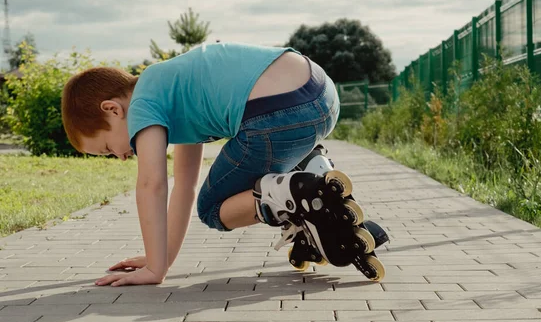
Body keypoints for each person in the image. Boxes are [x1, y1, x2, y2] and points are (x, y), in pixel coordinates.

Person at [62, 42, 383, 287]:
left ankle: (294, 197)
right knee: (208, 193)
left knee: (213, 209)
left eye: (106, 148)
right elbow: (183, 186)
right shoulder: (171, 87)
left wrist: (154, 271)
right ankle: (313, 174)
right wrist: (161, 258)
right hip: (321, 94)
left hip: (279, 113)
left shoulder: (144, 101)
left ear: (112, 110)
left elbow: (152, 184)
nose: (119, 156)